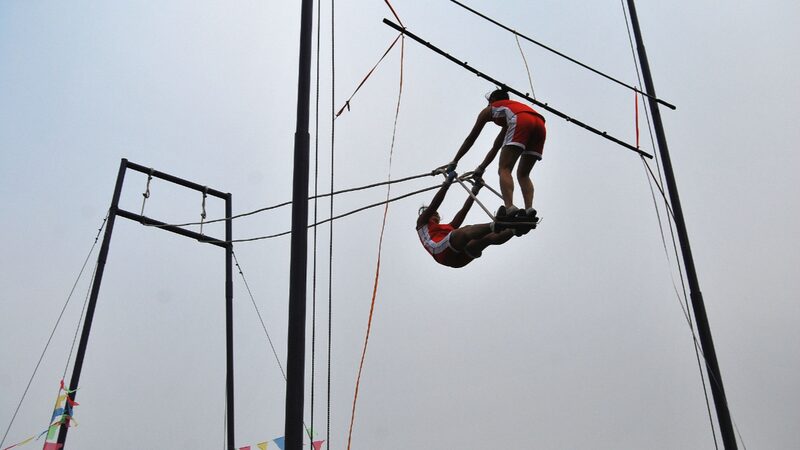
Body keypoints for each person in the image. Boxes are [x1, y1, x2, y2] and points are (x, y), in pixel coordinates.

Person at [446, 89, 547, 220]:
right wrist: (481, 167)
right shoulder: (511, 110)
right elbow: (496, 146)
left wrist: (455, 160)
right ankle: (529, 209)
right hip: (540, 124)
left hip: (521, 120)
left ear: (492, 101)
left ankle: (509, 207)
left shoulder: (490, 109)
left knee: (504, 168)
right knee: (523, 174)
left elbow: (471, 139)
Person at [416, 173, 515, 268]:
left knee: (485, 239)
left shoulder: (447, 228)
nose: (436, 215)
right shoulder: (422, 222)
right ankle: (496, 224)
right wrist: (446, 184)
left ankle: (514, 229)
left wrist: (474, 191)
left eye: (437, 214)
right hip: (440, 251)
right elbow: (434, 205)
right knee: (465, 231)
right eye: (433, 213)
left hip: (457, 258)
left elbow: (463, 211)